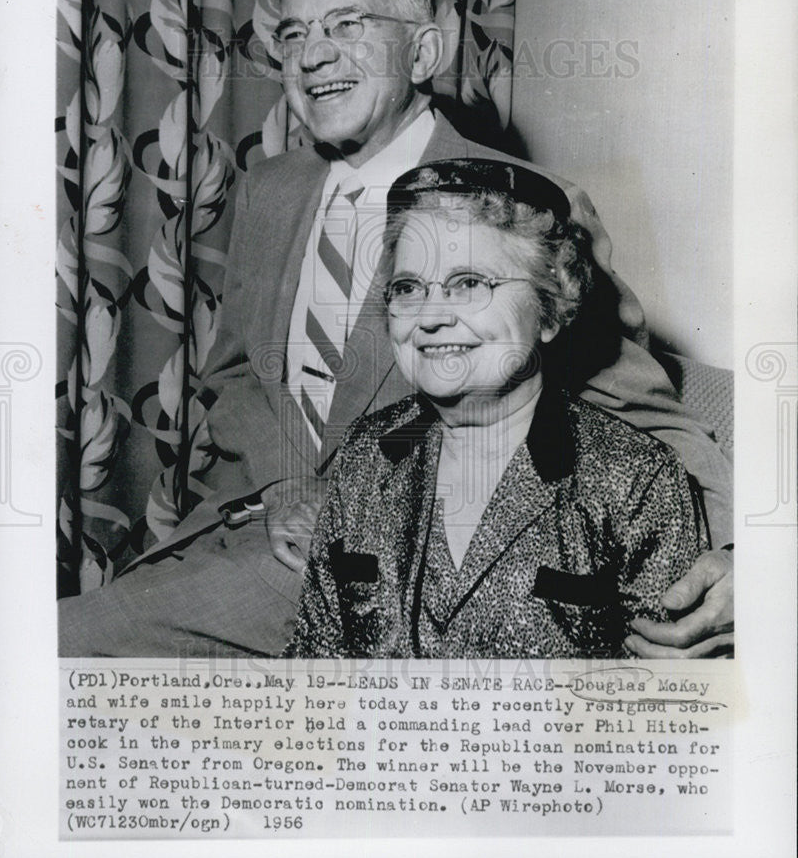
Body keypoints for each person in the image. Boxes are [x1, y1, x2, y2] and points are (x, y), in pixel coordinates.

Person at [59, 0, 732, 659]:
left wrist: (736, 555)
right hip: (238, 519)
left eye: (347, 25)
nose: (312, 55)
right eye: (294, 33)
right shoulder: (270, 188)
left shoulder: (530, 205)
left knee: (56, 648)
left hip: (387, 570)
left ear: (423, 54)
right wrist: (289, 484)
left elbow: (641, 410)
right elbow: (236, 373)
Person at [287, 160, 708, 658]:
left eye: (469, 283)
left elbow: (665, 710)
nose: (432, 316)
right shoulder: (369, 450)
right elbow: (313, 668)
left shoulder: (636, 479)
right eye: (408, 288)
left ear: (549, 311)